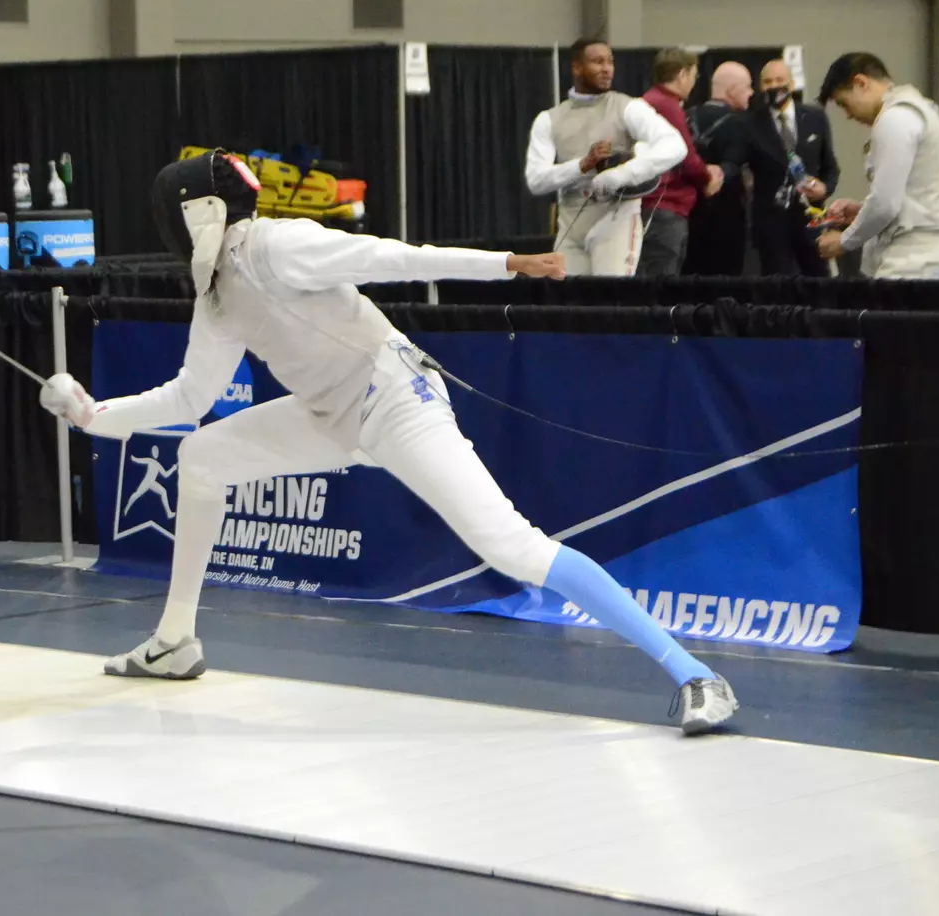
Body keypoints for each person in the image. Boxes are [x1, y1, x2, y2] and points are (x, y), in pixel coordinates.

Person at [39, 152, 738, 735]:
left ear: (196, 212)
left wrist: (502, 265)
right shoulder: (217, 296)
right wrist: (92, 415)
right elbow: (188, 400)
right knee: (202, 455)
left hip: (393, 399)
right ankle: (175, 641)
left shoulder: (275, 246)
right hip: (326, 415)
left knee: (512, 548)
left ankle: (697, 675)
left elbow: (387, 256)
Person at [525, 38, 686, 276]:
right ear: (577, 68)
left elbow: (674, 146)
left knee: (612, 301)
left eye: (610, 61)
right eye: (597, 62)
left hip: (616, 220)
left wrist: (621, 175)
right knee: (570, 304)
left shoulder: (628, 107)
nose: (606, 68)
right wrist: (582, 165)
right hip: (571, 223)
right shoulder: (549, 119)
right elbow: (536, 180)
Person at [814, 53, 939, 279]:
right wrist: (861, 212)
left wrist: (844, 242)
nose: (847, 114)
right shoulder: (929, 114)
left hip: (911, 262)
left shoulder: (895, 118)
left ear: (861, 83)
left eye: (843, 103)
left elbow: (885, 204)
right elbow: (920, 196)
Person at [637, 48, 725, 277]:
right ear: (682, 74)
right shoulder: (666, 106)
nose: (694, 84)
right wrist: (709, 177)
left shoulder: (650, 102)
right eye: (694, 77)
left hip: (655, 208)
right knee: (661, 283)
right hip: (664, 208)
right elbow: (685, 157)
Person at [754, 59, 840, 275]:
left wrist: (825, 188)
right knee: (777, 290)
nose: (774, 86)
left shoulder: (815, 117)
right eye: (768, 81)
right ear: (761, 87)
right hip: (771, 226)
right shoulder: (751, 122)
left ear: (792, 84)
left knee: (820, 285)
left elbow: (831, 167)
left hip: (812, 219)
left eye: (780, 80)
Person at [683, 61, 753, 276]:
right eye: (748, 87)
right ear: (732, 90)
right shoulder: (743, 124)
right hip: (727, 222)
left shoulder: (685, 117)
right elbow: (736, 163)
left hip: (687, 218)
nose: (752, 93)